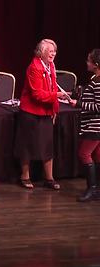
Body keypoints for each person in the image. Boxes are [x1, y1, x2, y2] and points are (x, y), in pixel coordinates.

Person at [14, 39, 66, 190]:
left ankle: (49, 178)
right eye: (50, 51)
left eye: (54, 51)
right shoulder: (34, 67)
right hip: (30, 112)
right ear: (41, 52)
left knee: (48, 146)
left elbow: (53, 86)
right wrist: (57, 96)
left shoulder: (51, 65)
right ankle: (25, 176)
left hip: (46, 112)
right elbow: (37, 94)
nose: (53, 54)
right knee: (27, 146)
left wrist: (55, 109)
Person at [69, 48, 100, 202]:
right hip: (94, 125)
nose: (86, 63)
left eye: (89, 60)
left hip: (95, 126)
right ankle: (96, 189)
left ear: (96, 64)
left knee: (84, 154)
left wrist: (79, 104)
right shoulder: (95, 79)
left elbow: (98, 106)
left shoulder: (99, 81)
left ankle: (92, 188)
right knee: (97, 155)